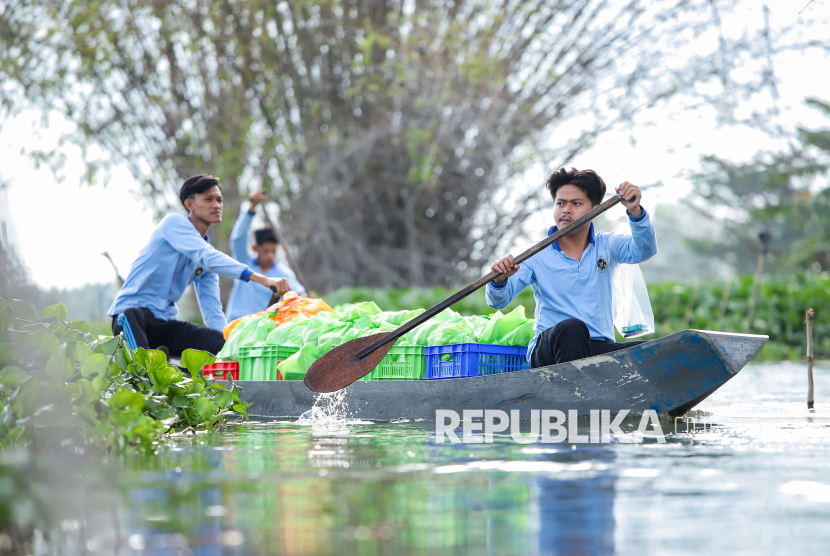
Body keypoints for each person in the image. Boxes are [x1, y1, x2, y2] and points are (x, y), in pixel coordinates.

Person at [486, 167, 657, 367]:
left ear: (595, 208)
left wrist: (635, 211)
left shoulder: (607, 245)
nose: (566, 210)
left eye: (576, 203)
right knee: (573, 329)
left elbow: (644, 250)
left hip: (596, 348)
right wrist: (499, 280)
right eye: (560, 203)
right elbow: (498, 301)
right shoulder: (535, 254)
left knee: (655, 351)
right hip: (550, 348)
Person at [108, 175, 290, 355]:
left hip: (165, 325)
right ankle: (145, 367)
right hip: (131, 319)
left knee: (220, 342)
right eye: (208, 199)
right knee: (133, 318)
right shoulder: (174, 224)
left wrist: (227, 344)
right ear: (190, 205)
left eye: (219, 200)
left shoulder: (204, 261)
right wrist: (263, 279)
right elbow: (207, 256)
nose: (216, 205)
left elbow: (212, 311)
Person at [225, 190, 306, 321]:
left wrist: (307, 299)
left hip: (262, 330)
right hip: (237, 325)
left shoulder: (282, 272)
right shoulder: (244, 264)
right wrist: (252, 207)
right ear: (255, 248)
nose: (270, 256)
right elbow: (237, 239)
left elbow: (298, 292)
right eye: (266, 251)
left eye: (273, 251)